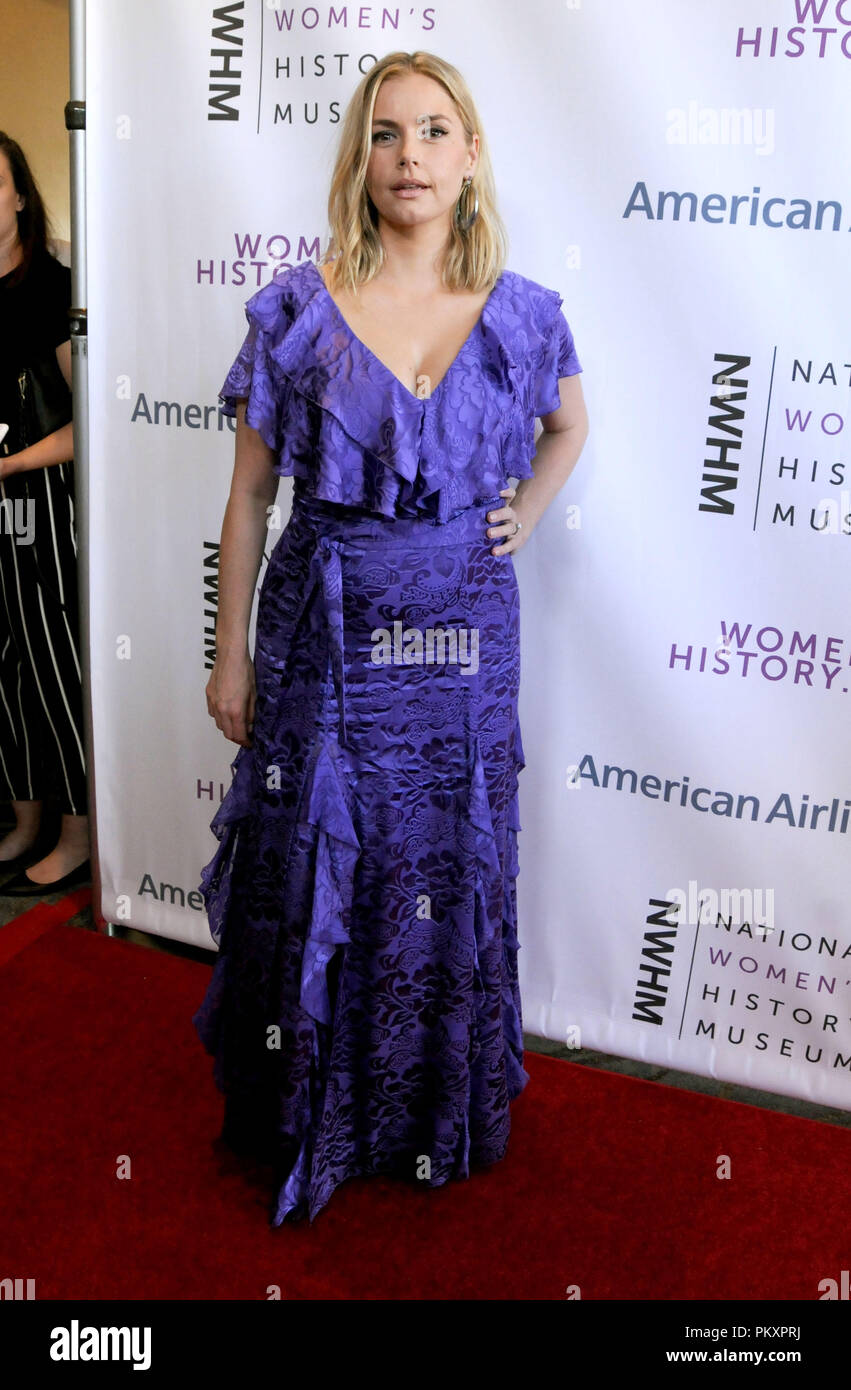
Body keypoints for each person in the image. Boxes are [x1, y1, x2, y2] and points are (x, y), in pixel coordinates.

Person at [193, 50, 589, 1226]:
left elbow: (570, 425)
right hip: (330, 637)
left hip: (466, 644)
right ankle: (311, 1107)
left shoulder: (522, 318)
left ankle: (424, 1112)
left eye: (430, 132)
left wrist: (532, 503)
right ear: (357, 161)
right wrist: (229, 653)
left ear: (468, 157)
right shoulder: (298, 314)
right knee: (322, 857)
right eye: (383, 134)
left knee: (439, 863)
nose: (406, 155)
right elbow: (247, 499)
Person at [0, 133, 90, 894]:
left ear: (20, 195)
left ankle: (77, 835)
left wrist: (14, 464)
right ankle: (25, 823)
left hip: (41, 507)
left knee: (55, 670)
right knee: (1, 673)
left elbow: (89, 419)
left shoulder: (55, 288)